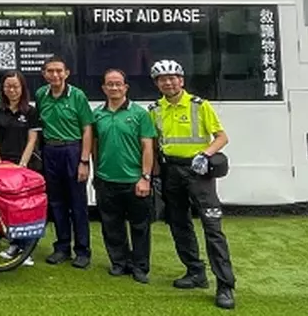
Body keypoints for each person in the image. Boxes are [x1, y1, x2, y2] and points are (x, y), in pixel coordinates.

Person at [150, 59, 236, 310]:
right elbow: (155, 144)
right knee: (179, 224)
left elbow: (222, 137)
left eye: (173, 77)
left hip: (199, 173)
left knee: (212, 227)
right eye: (162, 79)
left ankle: (225, 286)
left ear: (182, 80)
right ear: (157, 84)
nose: (168, 82)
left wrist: (205, 154)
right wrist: (155, 173)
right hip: (170, 171)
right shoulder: (154, 109)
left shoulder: (200, 106)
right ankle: (195, 272)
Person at [92, 69, 156, 285]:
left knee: (140, 227)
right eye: (109, 84)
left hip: (135, 181)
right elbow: (95, 146)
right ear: (103, 88)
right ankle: (119, 262)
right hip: (106, 180)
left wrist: (145, 177)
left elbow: (148, 147)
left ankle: (140, 266)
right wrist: (96, 173)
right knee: (111, 225)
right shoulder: (98, 115)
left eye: (118, 84)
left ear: (126, 87)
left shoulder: (140, 114)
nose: (114, 88)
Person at [36, 55, 94, 268]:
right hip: (50, 150)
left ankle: (82, 251)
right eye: (50, 71)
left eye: (59, 71)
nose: (55, 75)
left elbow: (87, 128)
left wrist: (84, 161)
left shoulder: (77, 96)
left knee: (77, 204)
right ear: (44, 75)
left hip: (72, 149)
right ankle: (62, 247)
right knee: (56, 202)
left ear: (67, 73)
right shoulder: (42, 94)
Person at [0, 70, 42, 266]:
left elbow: (32, 140)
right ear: (3, 89)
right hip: (2, 166)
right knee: (5, 207)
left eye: (16, 86)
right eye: (8, 86)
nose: (12, 90)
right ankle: (13, 244)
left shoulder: (31, 111)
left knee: (24, 209)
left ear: (22, 88)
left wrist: (22, 165)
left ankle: (26, 248)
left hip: (24, 167)